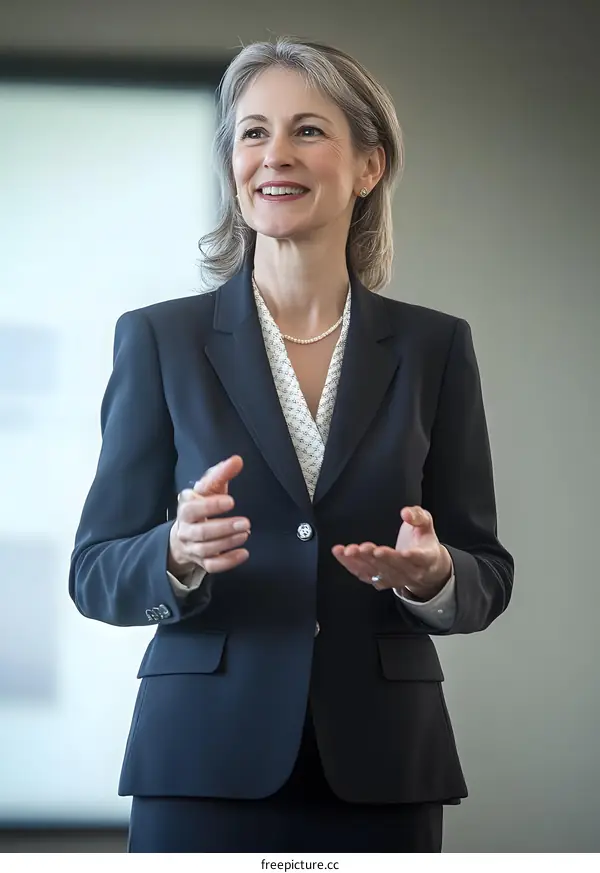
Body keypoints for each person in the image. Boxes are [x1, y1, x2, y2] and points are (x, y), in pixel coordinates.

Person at [69, 36, 514, 853]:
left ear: (369, 166)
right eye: (252, 132)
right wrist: (175, 549)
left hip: (383, 765)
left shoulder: (434, 348)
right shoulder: (159, 339)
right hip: (200, 760)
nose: (274, 154)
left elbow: (487, 572)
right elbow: (94, 572)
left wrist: (436, 574)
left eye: (308, 131)